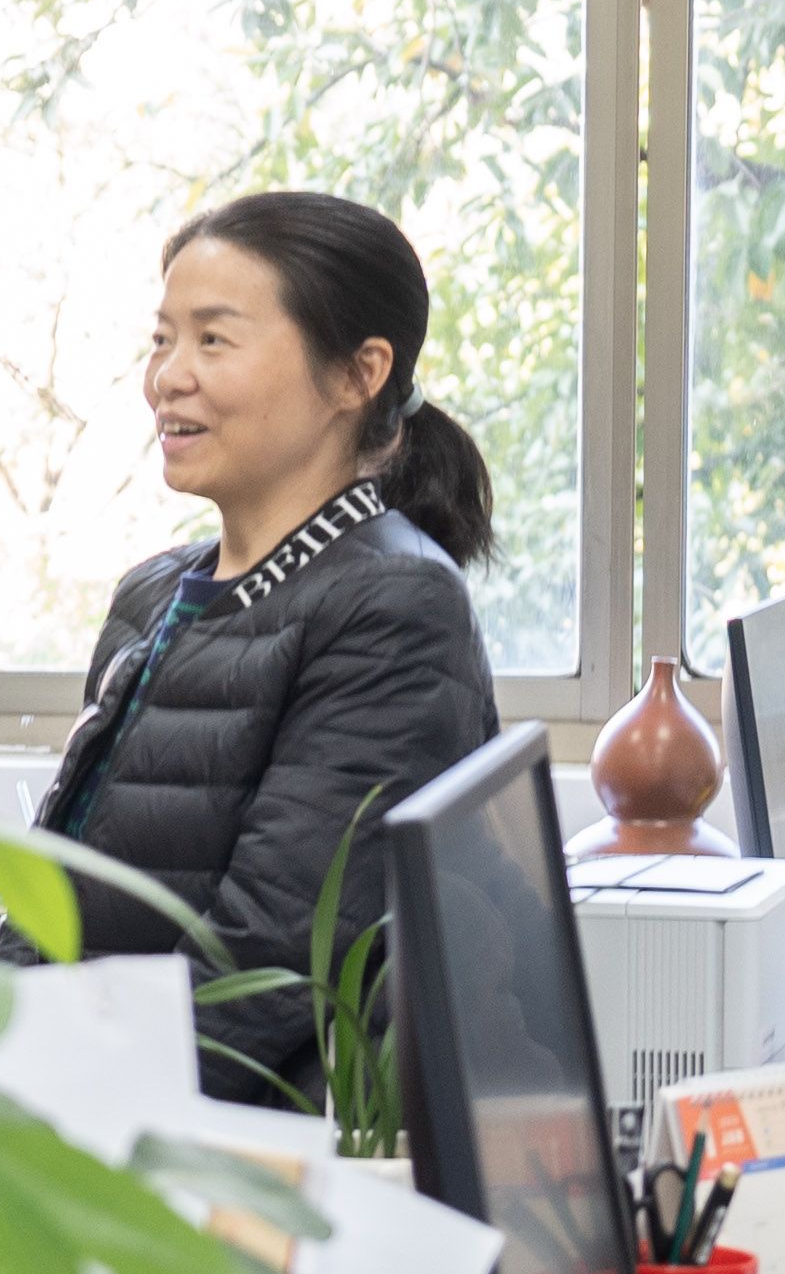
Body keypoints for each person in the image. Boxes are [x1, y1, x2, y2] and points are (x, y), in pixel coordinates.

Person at [30, 190, 502, 1103]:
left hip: (246, 1143)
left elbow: (269, 965)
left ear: (359, 374)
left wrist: (57, 1101)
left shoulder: (396, 605)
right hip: (99, 1108)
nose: (167, 377)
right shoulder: (154, 592)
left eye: (214, 340)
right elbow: (53, 888)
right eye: (163, 338)